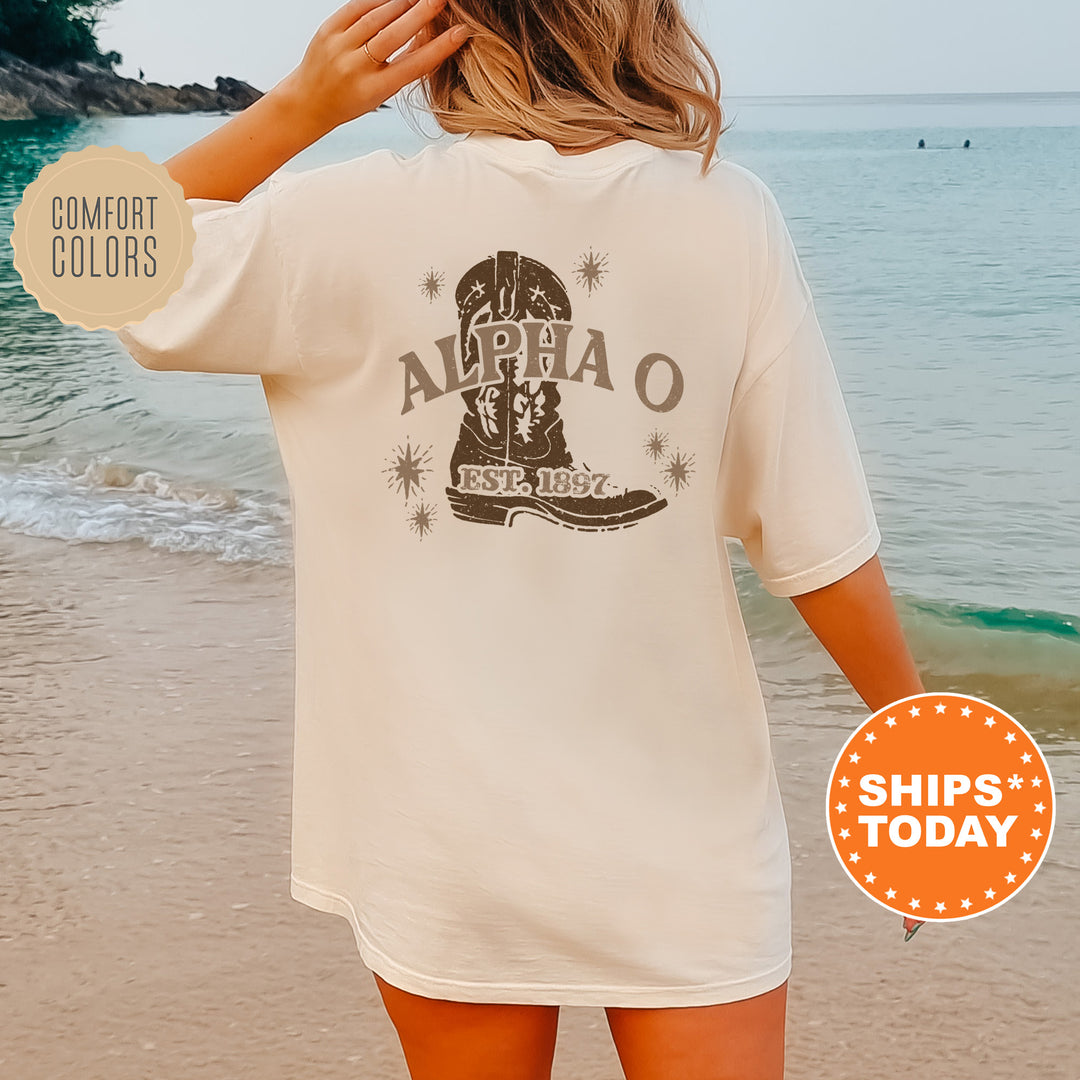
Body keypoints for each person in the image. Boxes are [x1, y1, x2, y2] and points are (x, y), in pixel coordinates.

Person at [115, 1, 925, 1077]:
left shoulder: (347, 220)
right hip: (683, 838)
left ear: (445, 35)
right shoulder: (727, 217)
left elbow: (88, 253)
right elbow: (816, 537)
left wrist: (299, 108)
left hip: (441, 831)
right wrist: (917, 758)